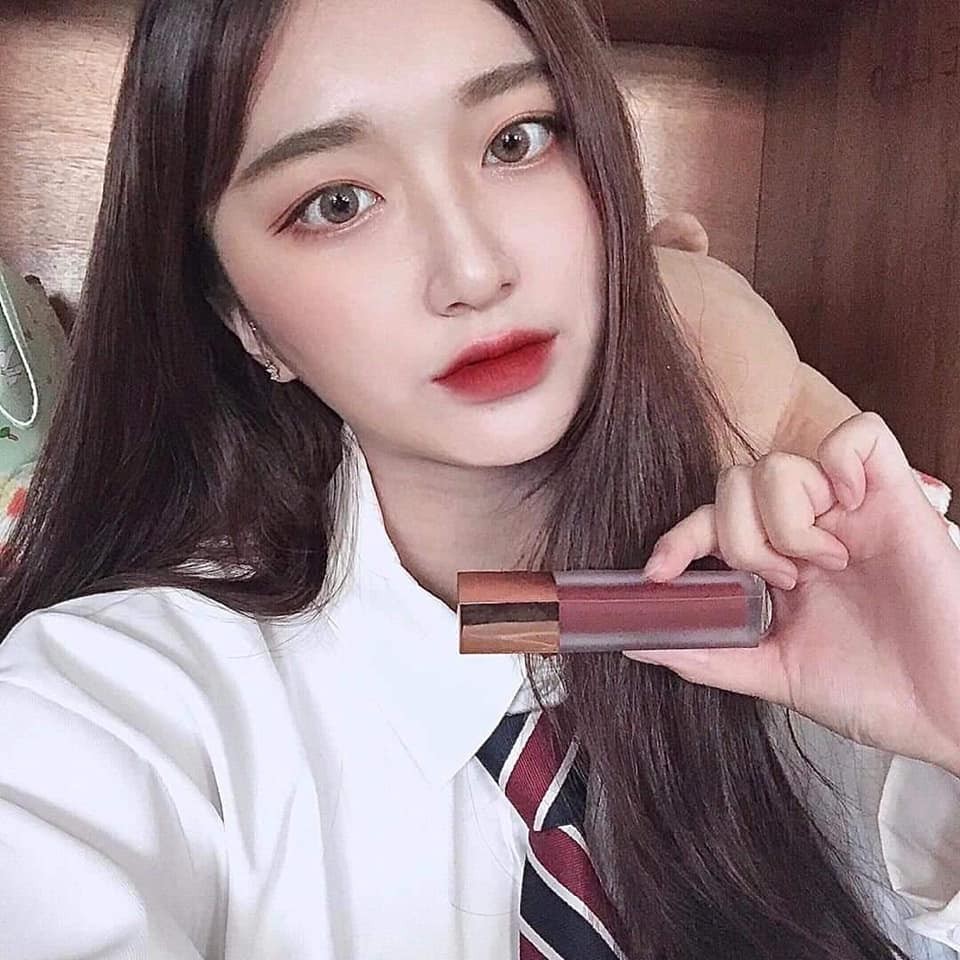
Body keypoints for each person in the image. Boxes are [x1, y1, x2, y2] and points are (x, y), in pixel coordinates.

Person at [0, 0, 958, 957]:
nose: (471, 269)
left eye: (516, 140)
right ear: (240, 317)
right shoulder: (105, 709)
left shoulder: (860, 599)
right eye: (336, 203)